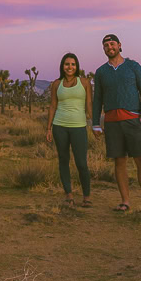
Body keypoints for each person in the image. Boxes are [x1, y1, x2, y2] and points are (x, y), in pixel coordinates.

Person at [91, 34, 141, 212]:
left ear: (120, 45)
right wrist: (95, 123)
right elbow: (97, 99)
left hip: (133, 120)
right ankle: (125, 201)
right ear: (103, 49)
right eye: (106, 45)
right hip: (112, 122)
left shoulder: (133, 66)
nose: (109, 47)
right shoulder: (101, 72)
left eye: (112, 44)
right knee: (119, 161)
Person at [46, 52, 93, 207]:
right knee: (63, 160)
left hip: (79, 127)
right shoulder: (56, 84)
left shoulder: (85, 82)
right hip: (60, 126)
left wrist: (95, 125)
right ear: (62, 66)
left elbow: (89, 106)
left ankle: (86, 196)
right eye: (67, 64)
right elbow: (53, 106)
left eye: (73, 64)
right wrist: (49, 128)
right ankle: (69, 195)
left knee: (81, 163)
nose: (70, 67)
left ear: (77, 66)